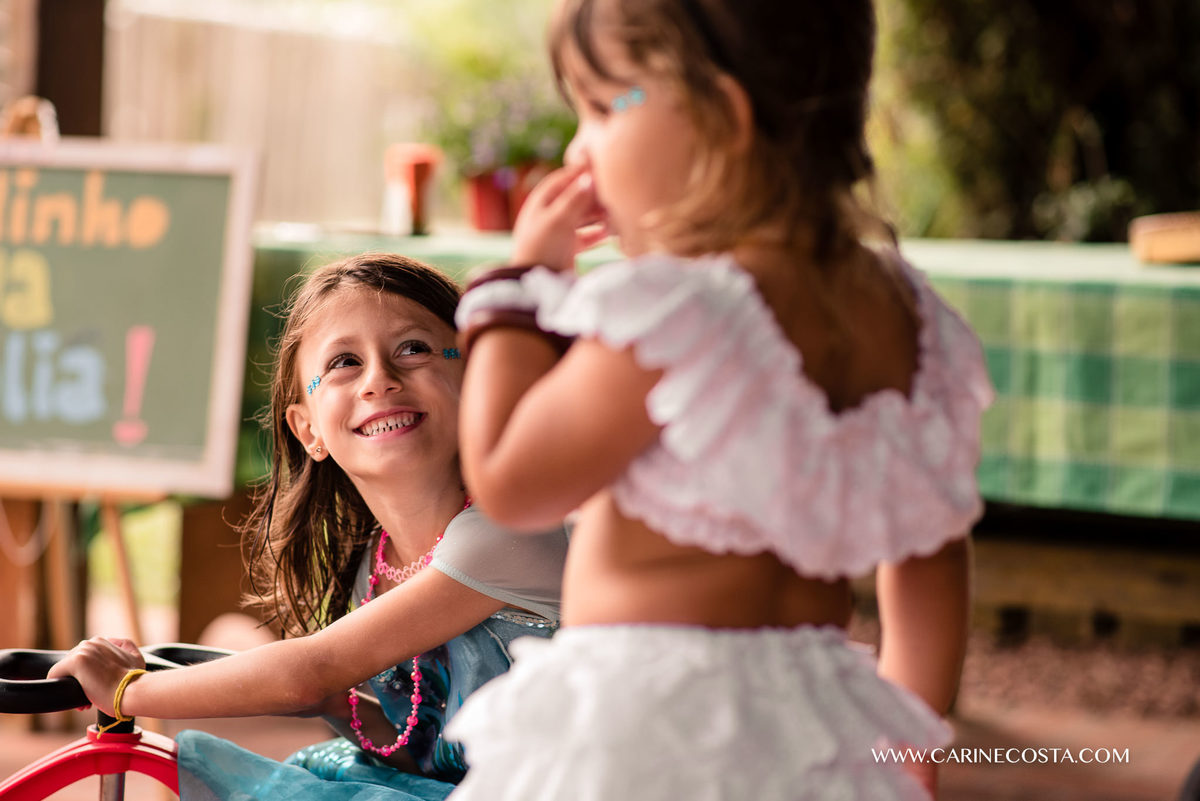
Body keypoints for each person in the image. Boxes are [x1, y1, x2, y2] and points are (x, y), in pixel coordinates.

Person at [447, 0, 993, 799]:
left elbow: (506, 478)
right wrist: (907, 747)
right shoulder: (909, 319)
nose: (577, 148)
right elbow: (932, 549)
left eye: (604, 108)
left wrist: (515, 291)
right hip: (812, 735)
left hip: (648, 738)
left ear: (721, 117)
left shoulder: (680, 315)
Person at [49, 253, 568, 801]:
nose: (380, 380)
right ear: (309, 431)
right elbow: (426, 753)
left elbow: (309, 670)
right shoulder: (377, 559)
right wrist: (333, 704)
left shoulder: (505, 531)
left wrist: (128, 689)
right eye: (345, 362)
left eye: (413, 349)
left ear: (478, 378)